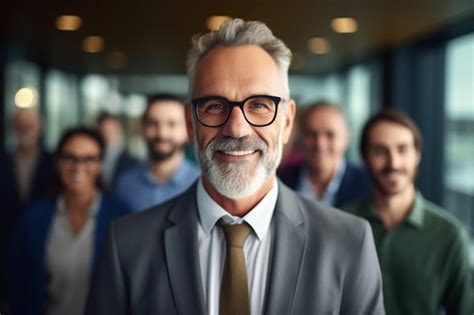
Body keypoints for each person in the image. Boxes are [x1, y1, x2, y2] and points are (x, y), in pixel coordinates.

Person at [86, 19, 384, 315]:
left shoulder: (349, 243)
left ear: (287, 122)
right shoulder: (127, 246)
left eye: (259, 105)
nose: (237, 129)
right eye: (215, 106)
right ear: (190, 124)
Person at [343, 110, 473, 315]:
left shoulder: (450, 235)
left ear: (417, 154)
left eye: (402, 150)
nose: (393, 163)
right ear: (364, 158)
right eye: (380, 151)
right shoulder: (340, 225)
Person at [7, 127, 130, 315]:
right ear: (57, 162)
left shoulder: (122, 217)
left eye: (89, 159)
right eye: (70, 158)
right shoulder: (34, 217)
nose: (78, 167)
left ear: (100, 165)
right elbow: (16, 281)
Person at [0, 108, 56, 313]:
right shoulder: (3, 160)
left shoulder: (54, 162)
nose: (25, 128)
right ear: (13, 127)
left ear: (41, 127)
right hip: (5, 246)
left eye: (30, 123)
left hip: (45, 246)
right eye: (20, 123)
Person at [114, 93, 200, 211]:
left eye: (172, 124)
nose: (162, 133)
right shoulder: (125, 184)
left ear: (188, 130)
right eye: (153, 124)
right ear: (142, 128)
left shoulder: (202, 185)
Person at [278, 102, 372, 207]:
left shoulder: (368, 186)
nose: (320, 144)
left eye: (330, 135)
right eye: (311, 134)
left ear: (346, 138)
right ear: (300, 138)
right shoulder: (280, 183)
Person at [96, 112, 139, 193]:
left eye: (111, 130)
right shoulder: (95, 157)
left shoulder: (132, 162)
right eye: (104, 131)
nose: (107, 135)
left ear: (119, 129)